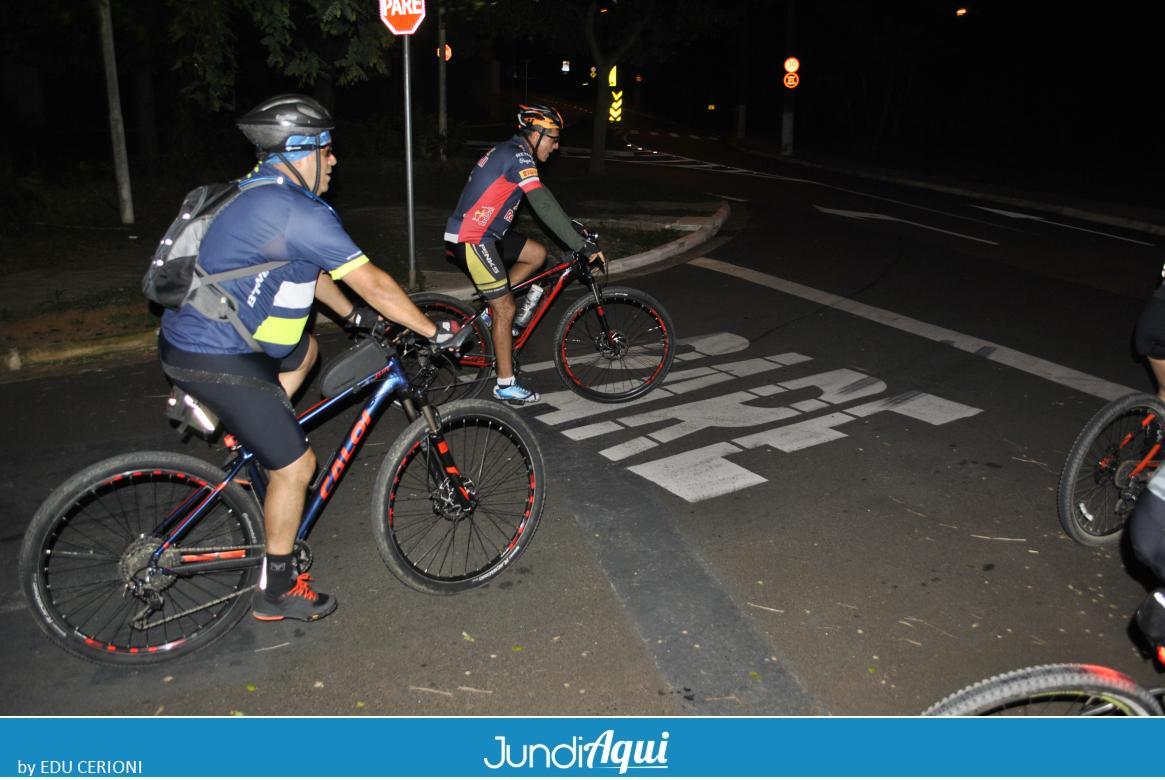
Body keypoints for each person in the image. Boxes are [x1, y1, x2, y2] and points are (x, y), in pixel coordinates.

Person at [158, 94, 459, 623]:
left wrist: (356, 318)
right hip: (214, 354)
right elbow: (375, 282)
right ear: (300, 152)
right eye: (328, 149)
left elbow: (314, 273)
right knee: (299, 466)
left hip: (204, 341)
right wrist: (434, 330)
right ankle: (274, 590)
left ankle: (247, 446)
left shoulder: (259, 195)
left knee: (307, 349)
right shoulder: (296, 210)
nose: (334, 160)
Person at [444, 103, 605, 404]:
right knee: (506, 308)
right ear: (536, 134)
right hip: (473, 237)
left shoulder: (514, 151)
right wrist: (578, 243)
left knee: (536, 254)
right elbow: (541, 202)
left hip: (489, 234)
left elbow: (546, 200)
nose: (556, 147)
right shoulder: (518, 155)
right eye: (553, 138)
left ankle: (487, 313)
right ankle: (505, 384)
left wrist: (572, 230)